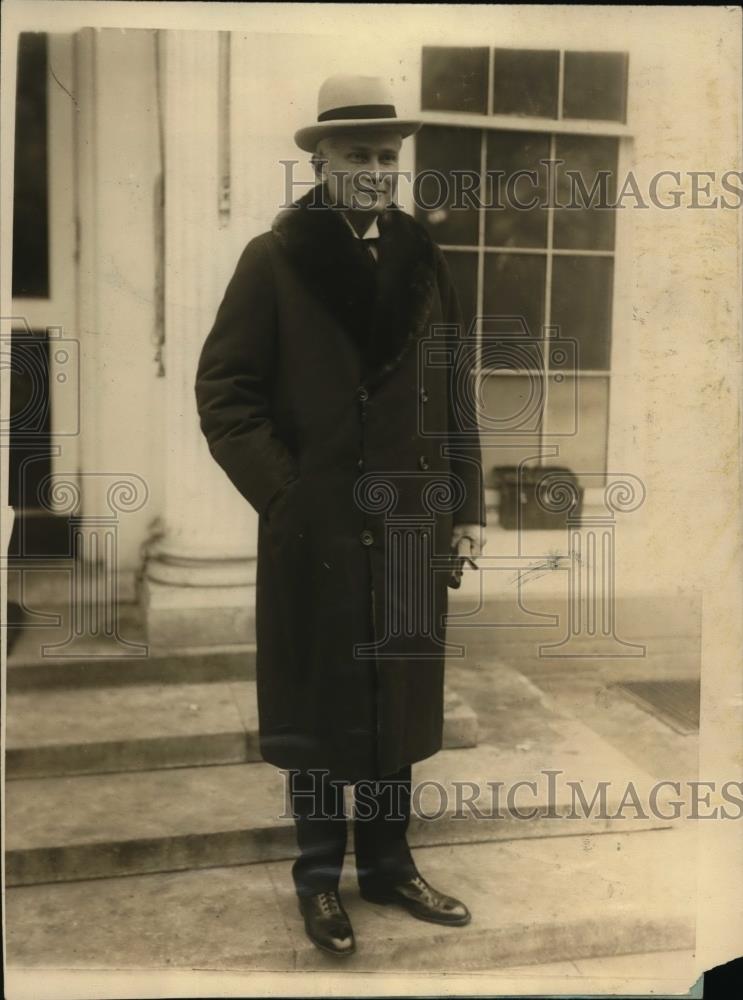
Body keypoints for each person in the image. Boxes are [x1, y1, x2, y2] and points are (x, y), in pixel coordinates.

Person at [195, 74, 486, 958]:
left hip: (407, 523)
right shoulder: (273, 258)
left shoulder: (423, 258)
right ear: (318, 161)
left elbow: (451, 390)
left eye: (386, 157)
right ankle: (318, 880)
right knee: (322, 710)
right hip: (316, 532)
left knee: (394, 698)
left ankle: (390, 868)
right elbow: (225, 395)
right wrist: (287, 496)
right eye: (356, 155)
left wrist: (464, 505)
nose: (374, 171)